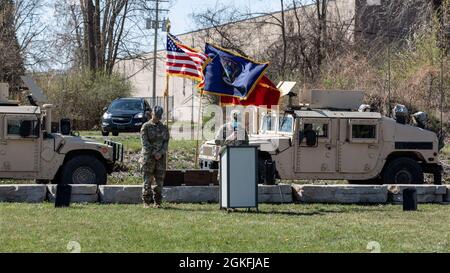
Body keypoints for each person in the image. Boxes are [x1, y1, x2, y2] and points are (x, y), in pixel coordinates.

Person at [140, 106, 170, 208]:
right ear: (152, 114)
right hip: (148, 158)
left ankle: (157, 202)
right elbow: (145, 143)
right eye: (155, 115)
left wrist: (161, 153)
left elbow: (166, 142)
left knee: (159, 181)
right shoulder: (146, 127)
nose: (157, 118)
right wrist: (154, 153)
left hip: (160, 158)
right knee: (147, 181)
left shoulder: (164, 128)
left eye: (159, 116)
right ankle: (146, 202)